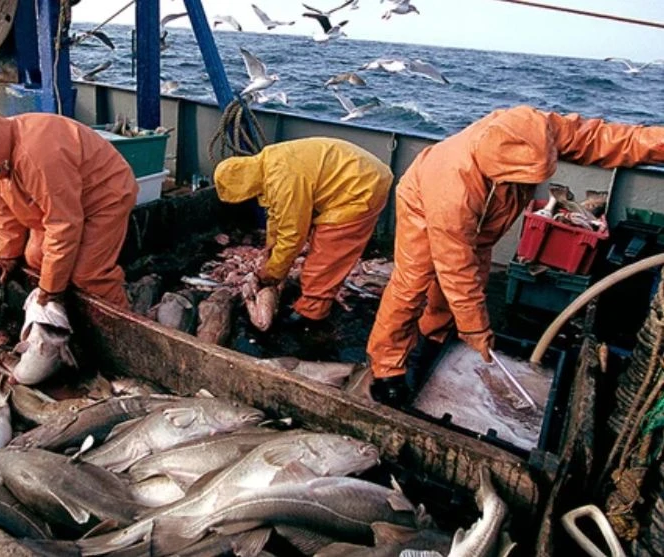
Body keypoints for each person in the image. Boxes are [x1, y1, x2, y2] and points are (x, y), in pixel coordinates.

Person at [366, 105, 664, 406]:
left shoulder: (541, 129)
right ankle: (386, 367)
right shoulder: (453, 189)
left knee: (472, 278)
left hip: (485, 218)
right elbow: (455, 266)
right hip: (423, 200)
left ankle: (436, 335)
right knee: (413, 283)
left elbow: (603, 139)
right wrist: (476, 327)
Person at [0, 107, 138, 308]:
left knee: (87, 276)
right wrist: (6, 255)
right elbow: (3, 211)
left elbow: (63, 224)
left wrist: (52, 290)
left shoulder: (38, 156)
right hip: (59, 205)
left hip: (105, 197)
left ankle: (126, 327)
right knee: (36, 259)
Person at [213, 137, 394, 323]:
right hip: (355, 174)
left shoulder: (283, 180)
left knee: (326, 258)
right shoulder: (268, 162)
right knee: (315, 250)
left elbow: (292, 235)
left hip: (361, 187)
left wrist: (273, 273)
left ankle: (311, 315)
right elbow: (278, 215)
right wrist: (270, 249)